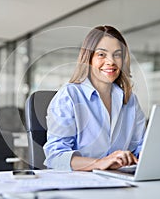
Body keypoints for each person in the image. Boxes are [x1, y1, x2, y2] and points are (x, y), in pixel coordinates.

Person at [43, 25, 146, 171]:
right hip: (80, 184)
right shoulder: (69, 96)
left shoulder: (130, 100)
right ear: (88, 58)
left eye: (117, 54)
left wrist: (145, 156)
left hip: (120, 181)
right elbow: (56, 157)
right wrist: (100, 163)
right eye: (102, 54)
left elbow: (140, 147)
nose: (111, 61)